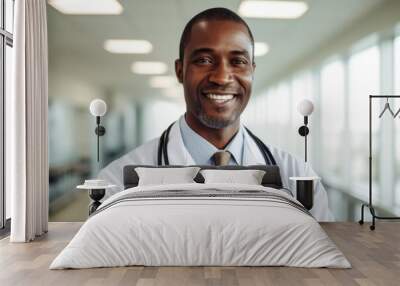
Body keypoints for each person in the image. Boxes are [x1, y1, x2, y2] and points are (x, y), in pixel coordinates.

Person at [98, 7, 333, 221]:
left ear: (252, 71)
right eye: (204, 60)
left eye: (238, 61)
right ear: (180, 71)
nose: (221, 77)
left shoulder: (299, 178)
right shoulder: (116, 183)